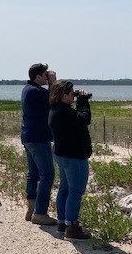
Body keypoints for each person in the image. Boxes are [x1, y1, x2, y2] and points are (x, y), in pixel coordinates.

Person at [48, 80, 92, 240]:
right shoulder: (65, 112)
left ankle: (62, 222)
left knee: (65, 188)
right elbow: (84, 119)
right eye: (71, 93)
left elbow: (78, 119)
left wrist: (79, 100)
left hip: (62, 154)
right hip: (74, 157)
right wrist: (84, 101)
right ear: (64, 95)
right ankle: (72, 227)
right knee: (75, 191)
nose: (73, 96)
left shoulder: (55, 110)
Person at [21, 63, 58, 225]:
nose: (46, 77)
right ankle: (40, 212)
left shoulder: (27, 89)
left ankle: (31, 209)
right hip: (39, 138)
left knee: (33, 174)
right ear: (38, 77)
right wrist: (53, 82)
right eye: (44, 75)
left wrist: (49, 83)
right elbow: (54, 99)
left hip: (28, 136)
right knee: (47, 174)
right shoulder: (36, 91)